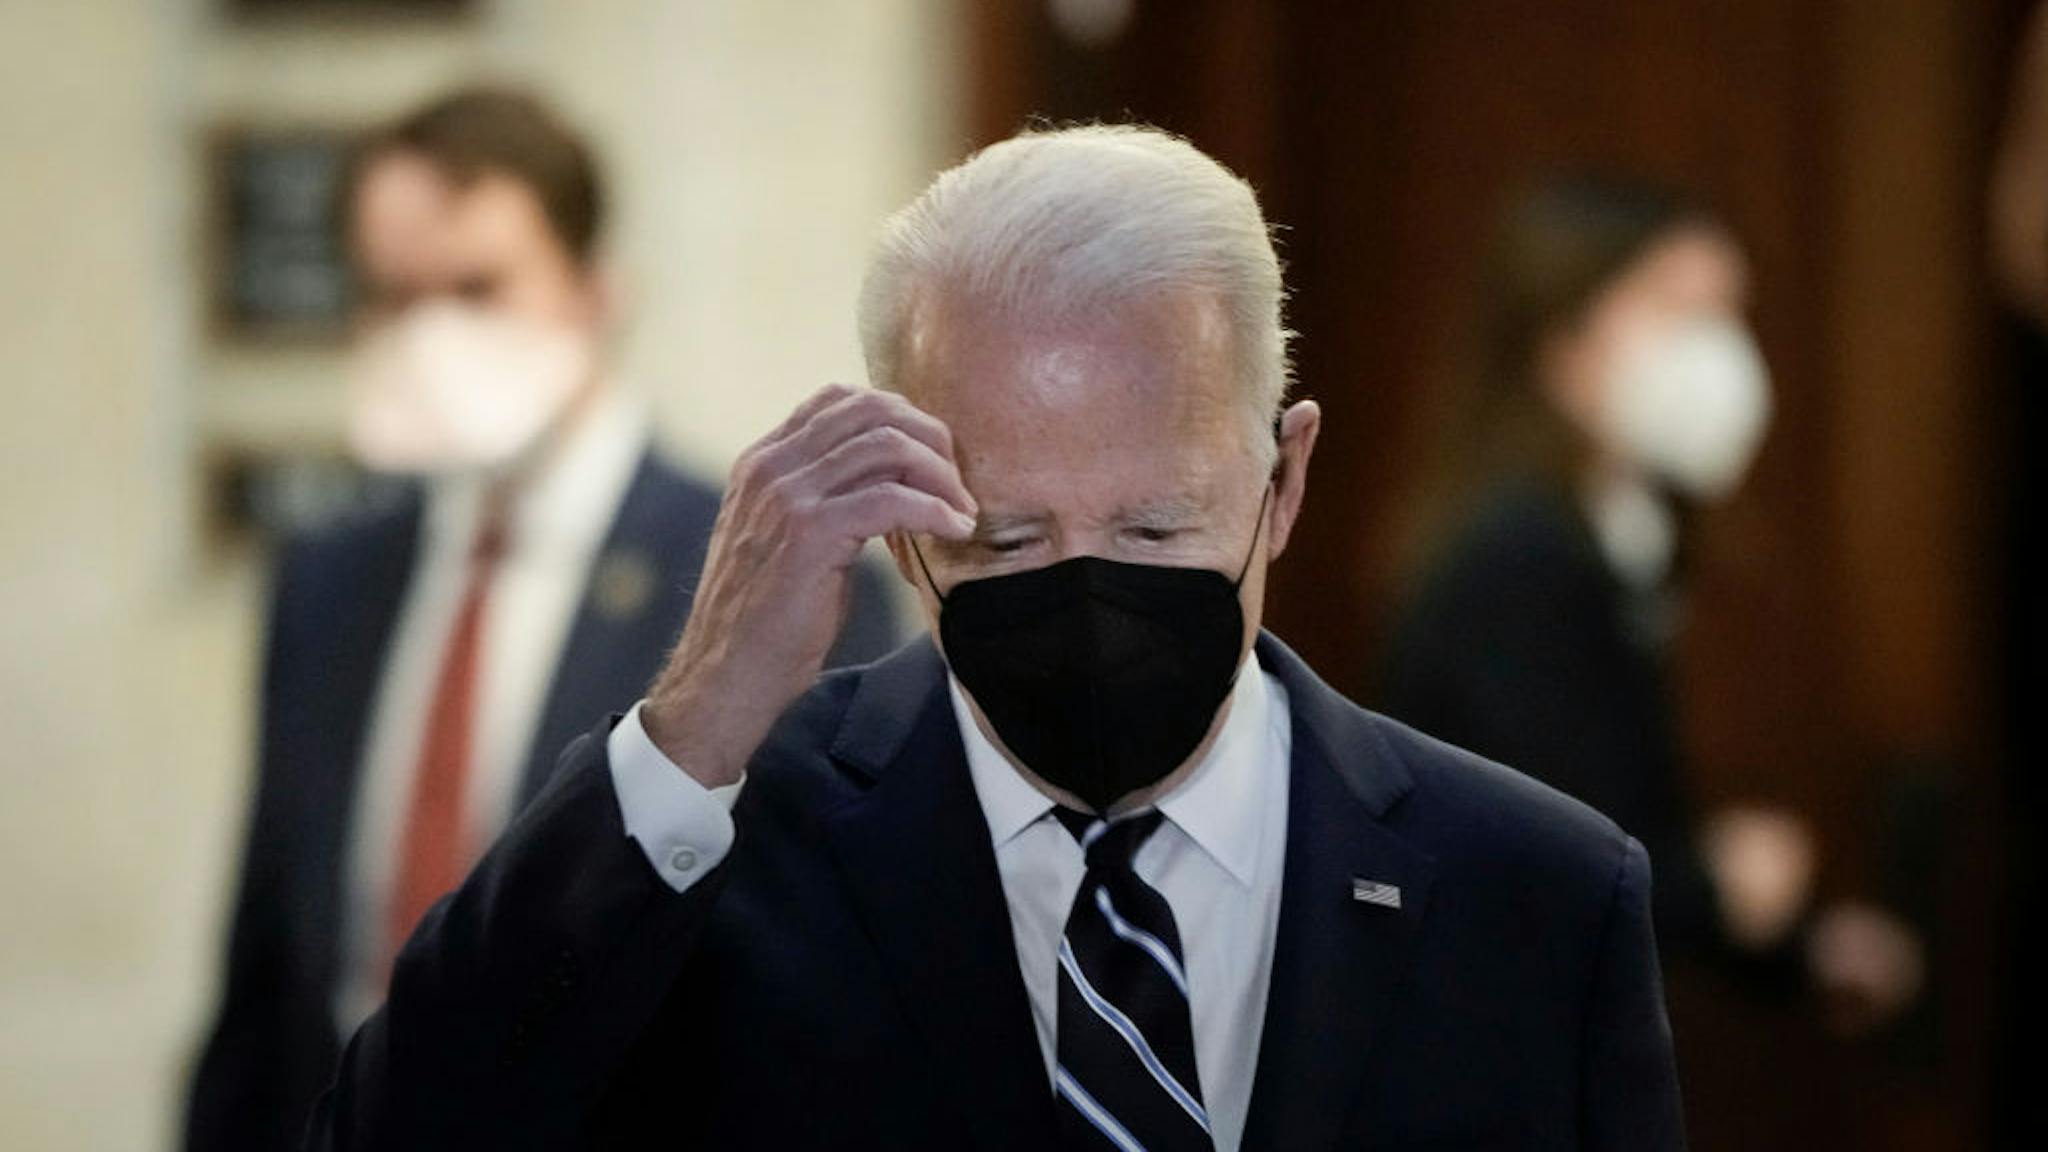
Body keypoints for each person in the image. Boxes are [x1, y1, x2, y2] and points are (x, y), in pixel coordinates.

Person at [307, 125, 1684, 1151]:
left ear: (1286, 479)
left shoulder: (1536, 898)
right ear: (903, 515)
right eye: (1008, 540)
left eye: (1154, 529)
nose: (1088, 597)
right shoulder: (724, 858)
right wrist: (696, 721)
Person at [183, 87, 901, 1152]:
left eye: (478, 288)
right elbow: (266, 976)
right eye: (392, 296)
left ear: (594, 291)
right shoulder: (328, 577)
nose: (431, 334)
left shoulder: (760, 569)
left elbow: (818, 990)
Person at [1379, 174, 1919, 1022]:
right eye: (1680, 312)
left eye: (1728, 315)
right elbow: (1545, 855)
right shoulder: (1519, 558)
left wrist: (1800, 941)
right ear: (1565, 340)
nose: (1719, 354)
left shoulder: (1612, 535)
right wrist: (1718, 885)